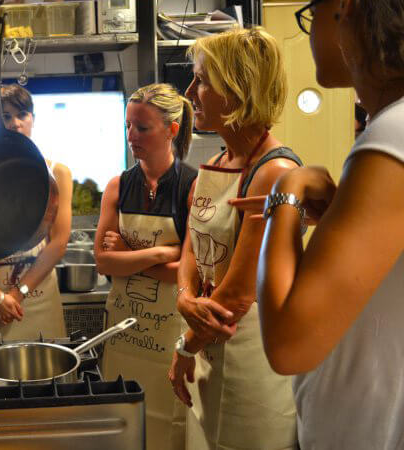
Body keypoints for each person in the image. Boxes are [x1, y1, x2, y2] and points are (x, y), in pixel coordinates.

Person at [230, 1, 404, 448]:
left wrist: (284, 198)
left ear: (343, 10)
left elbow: (289, 343)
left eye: (311, 14)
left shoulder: (391, 136)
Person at [169, 27, 301, 449]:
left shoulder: (274, 172)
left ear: (238, 89)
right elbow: (190, 244)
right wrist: (185, 296)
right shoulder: (215, 162)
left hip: (249, 354)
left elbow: (239, 295)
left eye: (203, 80)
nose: (190, 91)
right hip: (208, 343)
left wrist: (185, 347)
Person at [95, 83, 196, 450]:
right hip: (123, 336)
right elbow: (103, 262)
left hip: (170, 335)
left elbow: (187, 270)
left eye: (142, 128)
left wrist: (127, 255)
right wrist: (157, 254)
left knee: (167, 428)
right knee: (122, 424)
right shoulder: (118, 186)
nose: (131, 137)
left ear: (171, 129)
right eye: (128, 127)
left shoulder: (191, 185)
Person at [0, 84, 72, 340]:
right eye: (5, 117)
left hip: (38, 298)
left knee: (47, 376)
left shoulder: (58, 173)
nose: (15, 123)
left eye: (22, 114)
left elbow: (57, 244)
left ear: (32, 118)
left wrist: (16, 294)